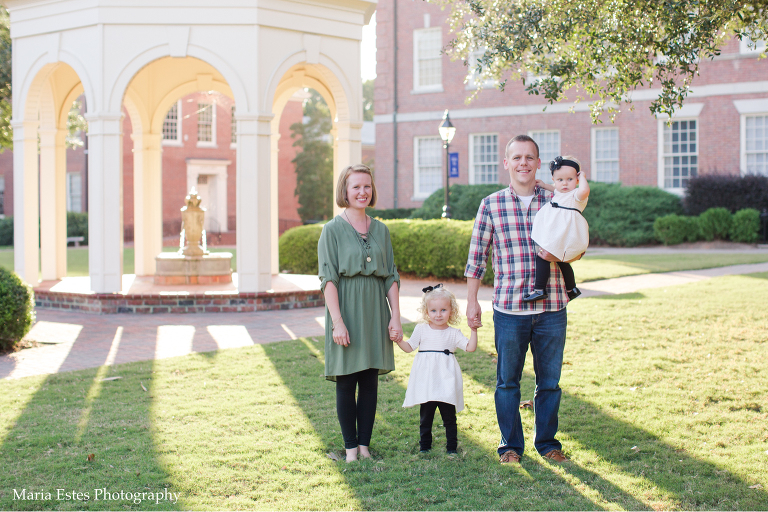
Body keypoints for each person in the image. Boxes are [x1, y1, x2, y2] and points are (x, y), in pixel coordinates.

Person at [465, 135, 581, 464]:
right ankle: (511, 446)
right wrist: (472, 302)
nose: (523, 163)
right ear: (507, 163)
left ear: (538, 163)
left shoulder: (557, 199)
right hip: (509, 309)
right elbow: (477, 258)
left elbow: (578, 241)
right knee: (507, 382)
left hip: (552, 308)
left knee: (550, 382)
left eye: (529, 157)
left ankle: (547, 443)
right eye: (517, 158)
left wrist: (568, 253)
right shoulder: (491, 204)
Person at [317, 164, 403, 463]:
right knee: (347, 379)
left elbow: (390, 276)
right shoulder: (332, 230)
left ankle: (365, 447)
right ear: (345, 191)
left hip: (375, 310)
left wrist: (395, 316)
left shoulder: (381, 229)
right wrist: (337, 322)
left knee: (369, 380)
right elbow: (328, 279)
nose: (362, 192)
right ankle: (350, 449)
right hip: (347, 309)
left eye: (367, 186)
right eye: (356, 187)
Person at [393, 284, 479, 454]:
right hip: (427, 381)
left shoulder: (453, 333)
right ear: (426, 312)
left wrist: (473, 330)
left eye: (443, 310)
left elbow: (470, 347)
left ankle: (452, 448)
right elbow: (409, 347)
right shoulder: (421, 329)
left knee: (449, 417)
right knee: (426, 417)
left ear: (451, 311)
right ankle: (425, 447)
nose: (438, 314)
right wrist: (398, 340)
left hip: (446, 380)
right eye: (433, 311)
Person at [523, 155, 591, 302]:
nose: (565, 183)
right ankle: (571, 288)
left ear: (577, 180)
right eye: (560, 180)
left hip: (564, 232)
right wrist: (543, 184)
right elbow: (556, 189)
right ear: (554, 180)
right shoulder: (562, 192)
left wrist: (584, 177)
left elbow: (585, 191)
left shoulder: (576, 195)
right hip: (559, 232)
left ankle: (539, 289)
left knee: (543, 256)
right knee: (561, 260)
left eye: (570, 179)